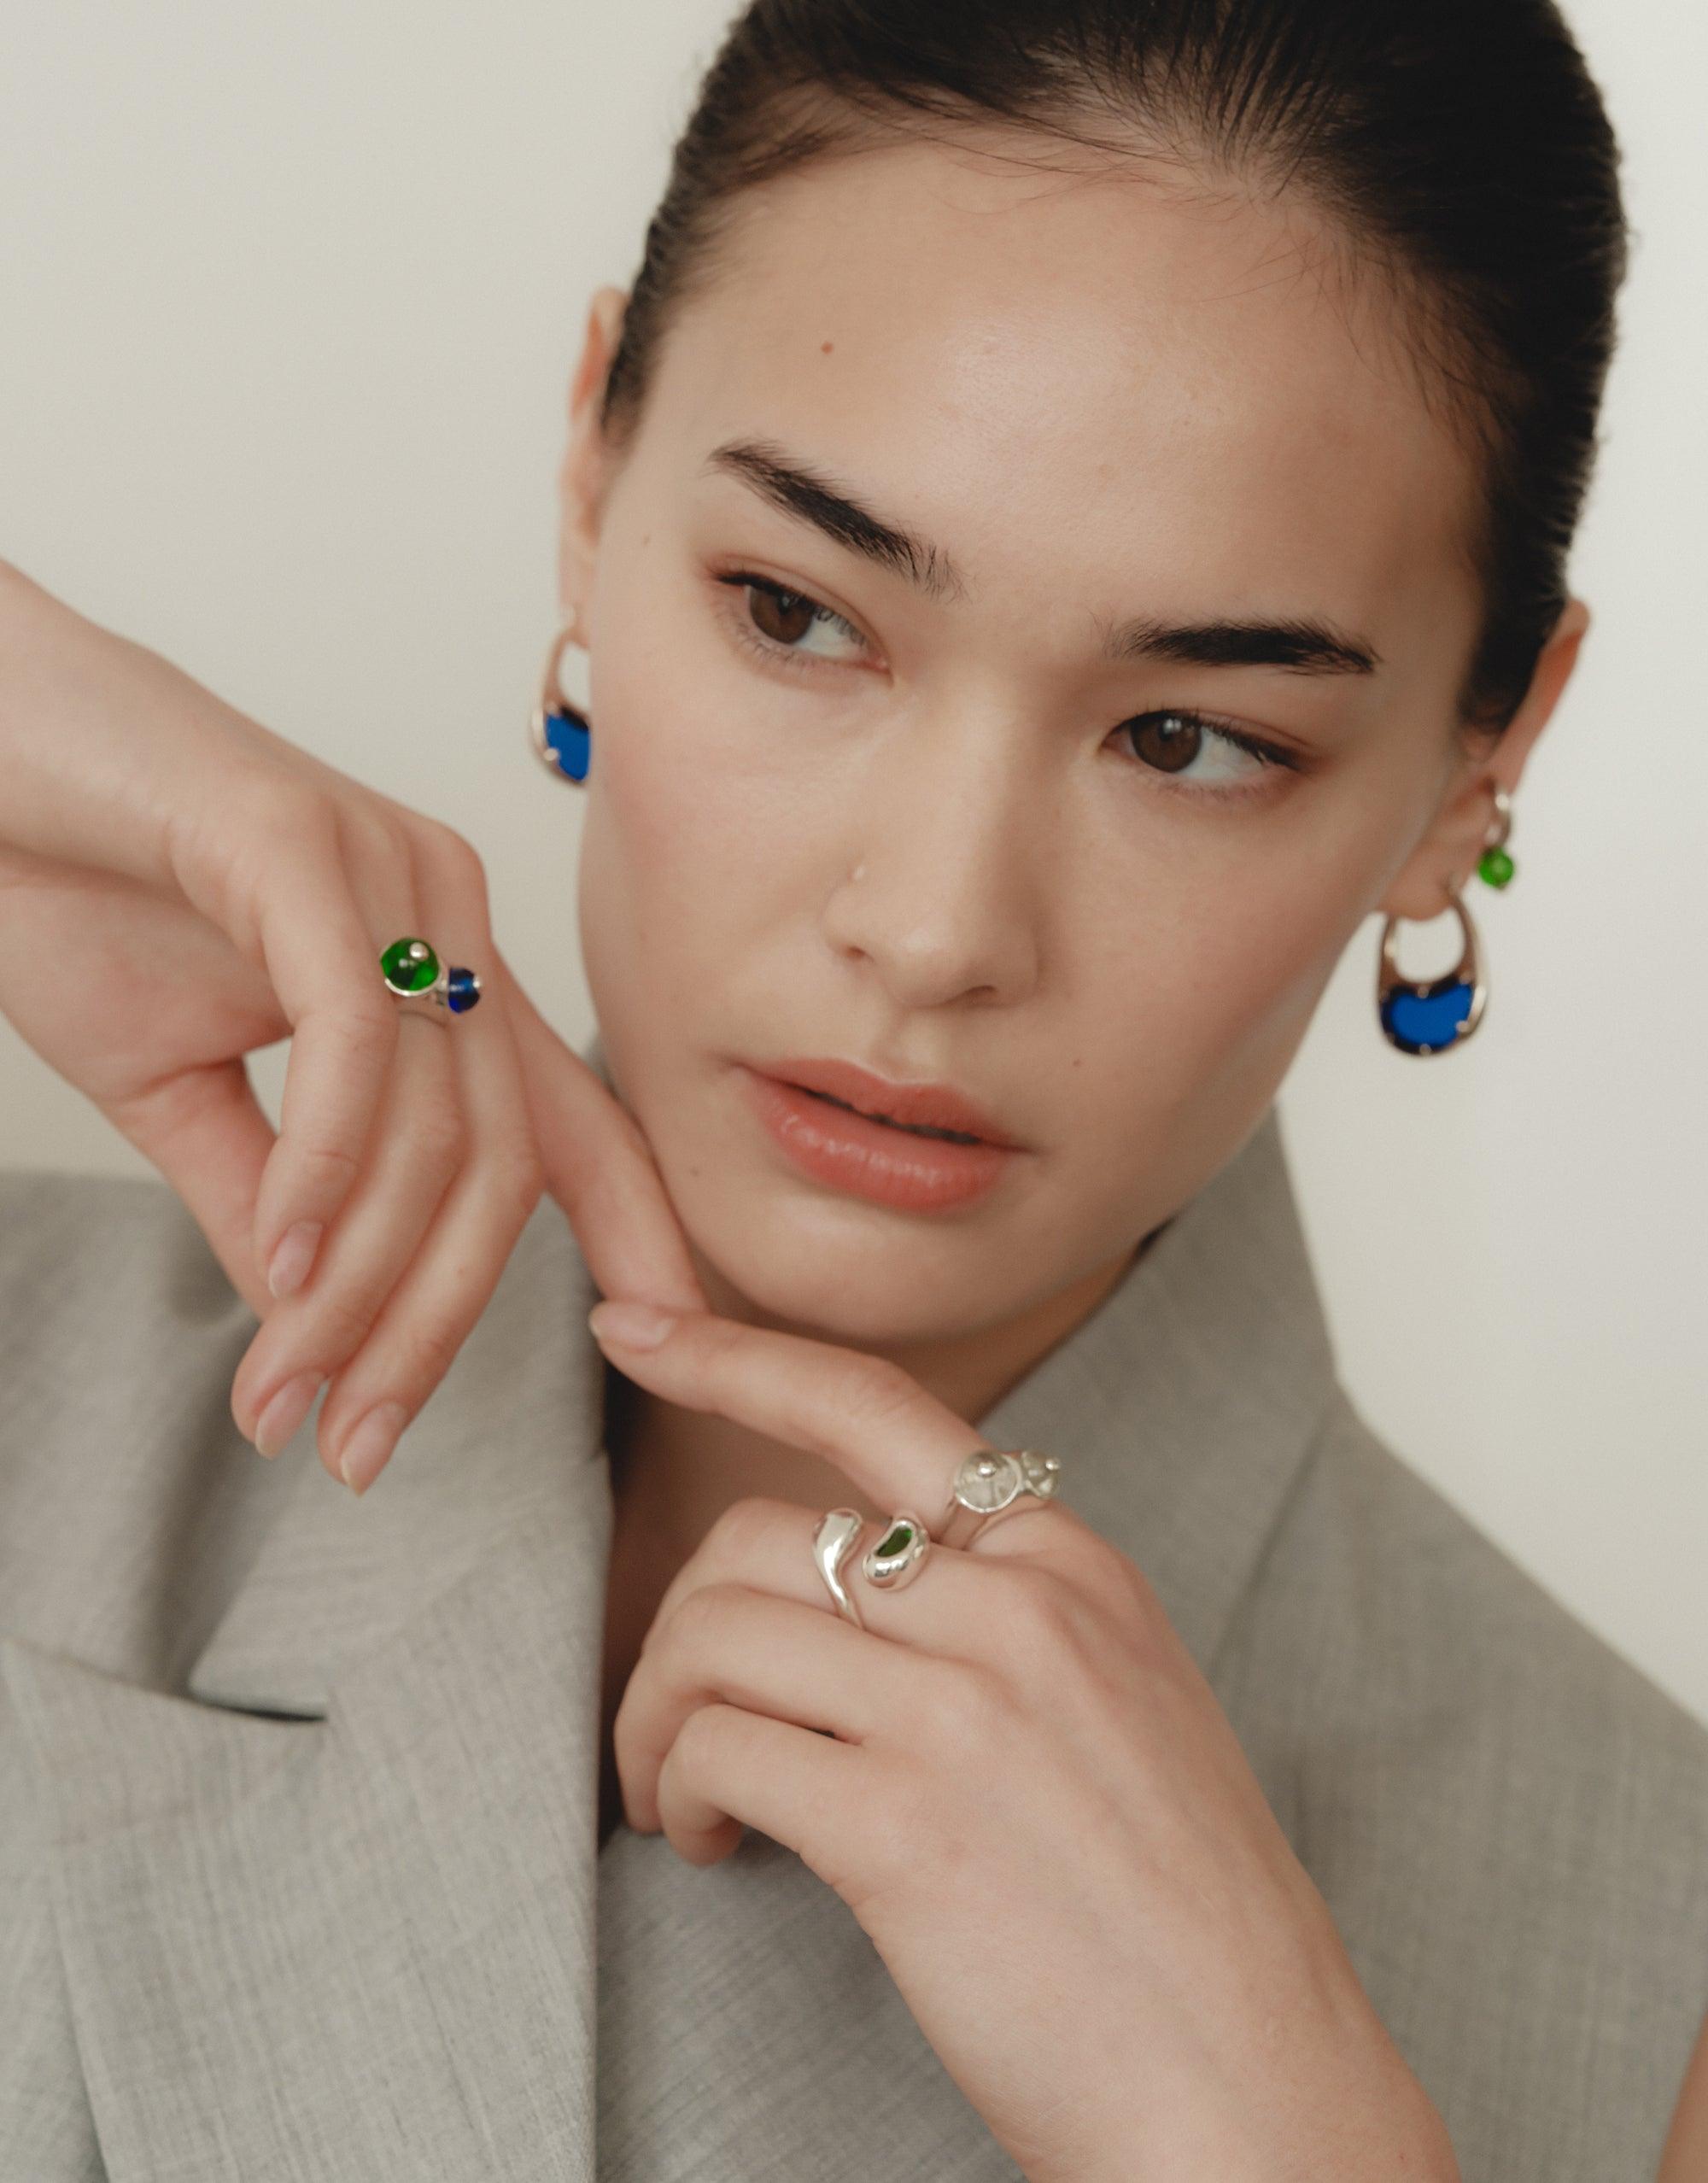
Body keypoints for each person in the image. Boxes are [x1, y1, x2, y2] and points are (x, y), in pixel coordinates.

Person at [1, 0, 1705, 2175]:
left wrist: (1275, 2132)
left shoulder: (1650, 1960)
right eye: (797, 614)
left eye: (1190, 738)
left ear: (1484, 760)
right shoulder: (28, 1386)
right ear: (592, 469)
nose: (931, 927)